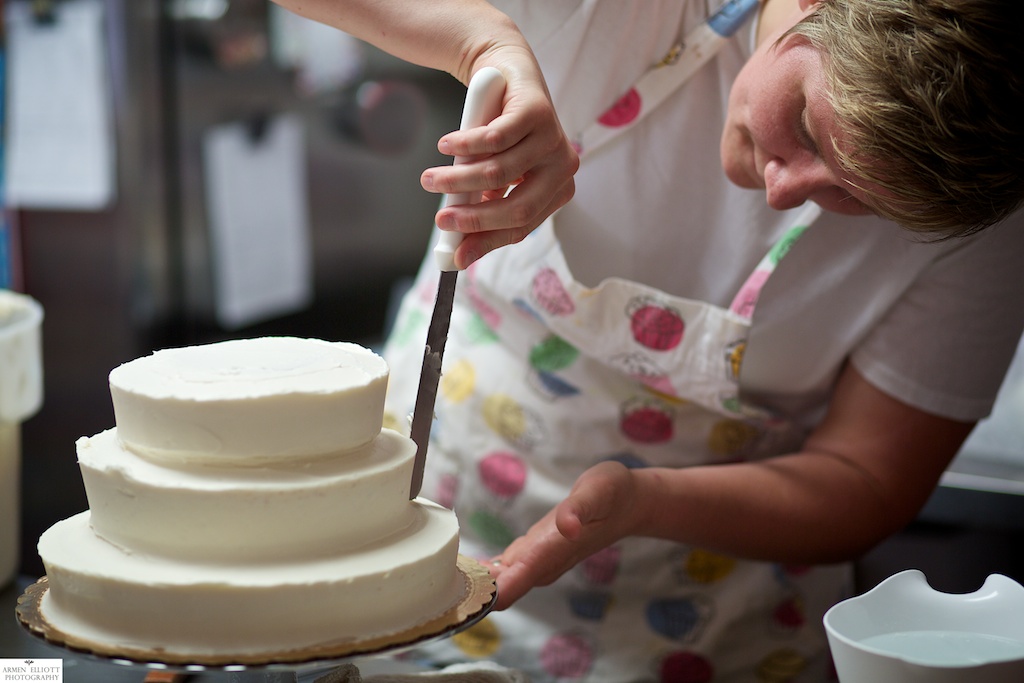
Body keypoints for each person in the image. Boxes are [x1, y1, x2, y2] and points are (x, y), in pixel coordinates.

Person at [273, 1, 1024, 681]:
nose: (788, 191)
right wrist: (483, 42)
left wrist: (644, 501)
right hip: (414, 555)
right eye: (803, 125)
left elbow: (866, 477)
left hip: (703, 631)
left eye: (859, 198)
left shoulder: (986, 220)